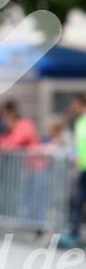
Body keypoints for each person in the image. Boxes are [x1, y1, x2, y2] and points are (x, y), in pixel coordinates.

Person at [58, 93, 86, 248]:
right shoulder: (79, 121)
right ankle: (74, 233)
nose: (72, 107)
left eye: (74, 103)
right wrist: (74, 155)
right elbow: (76, 143)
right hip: (83, 168)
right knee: (77, 201)